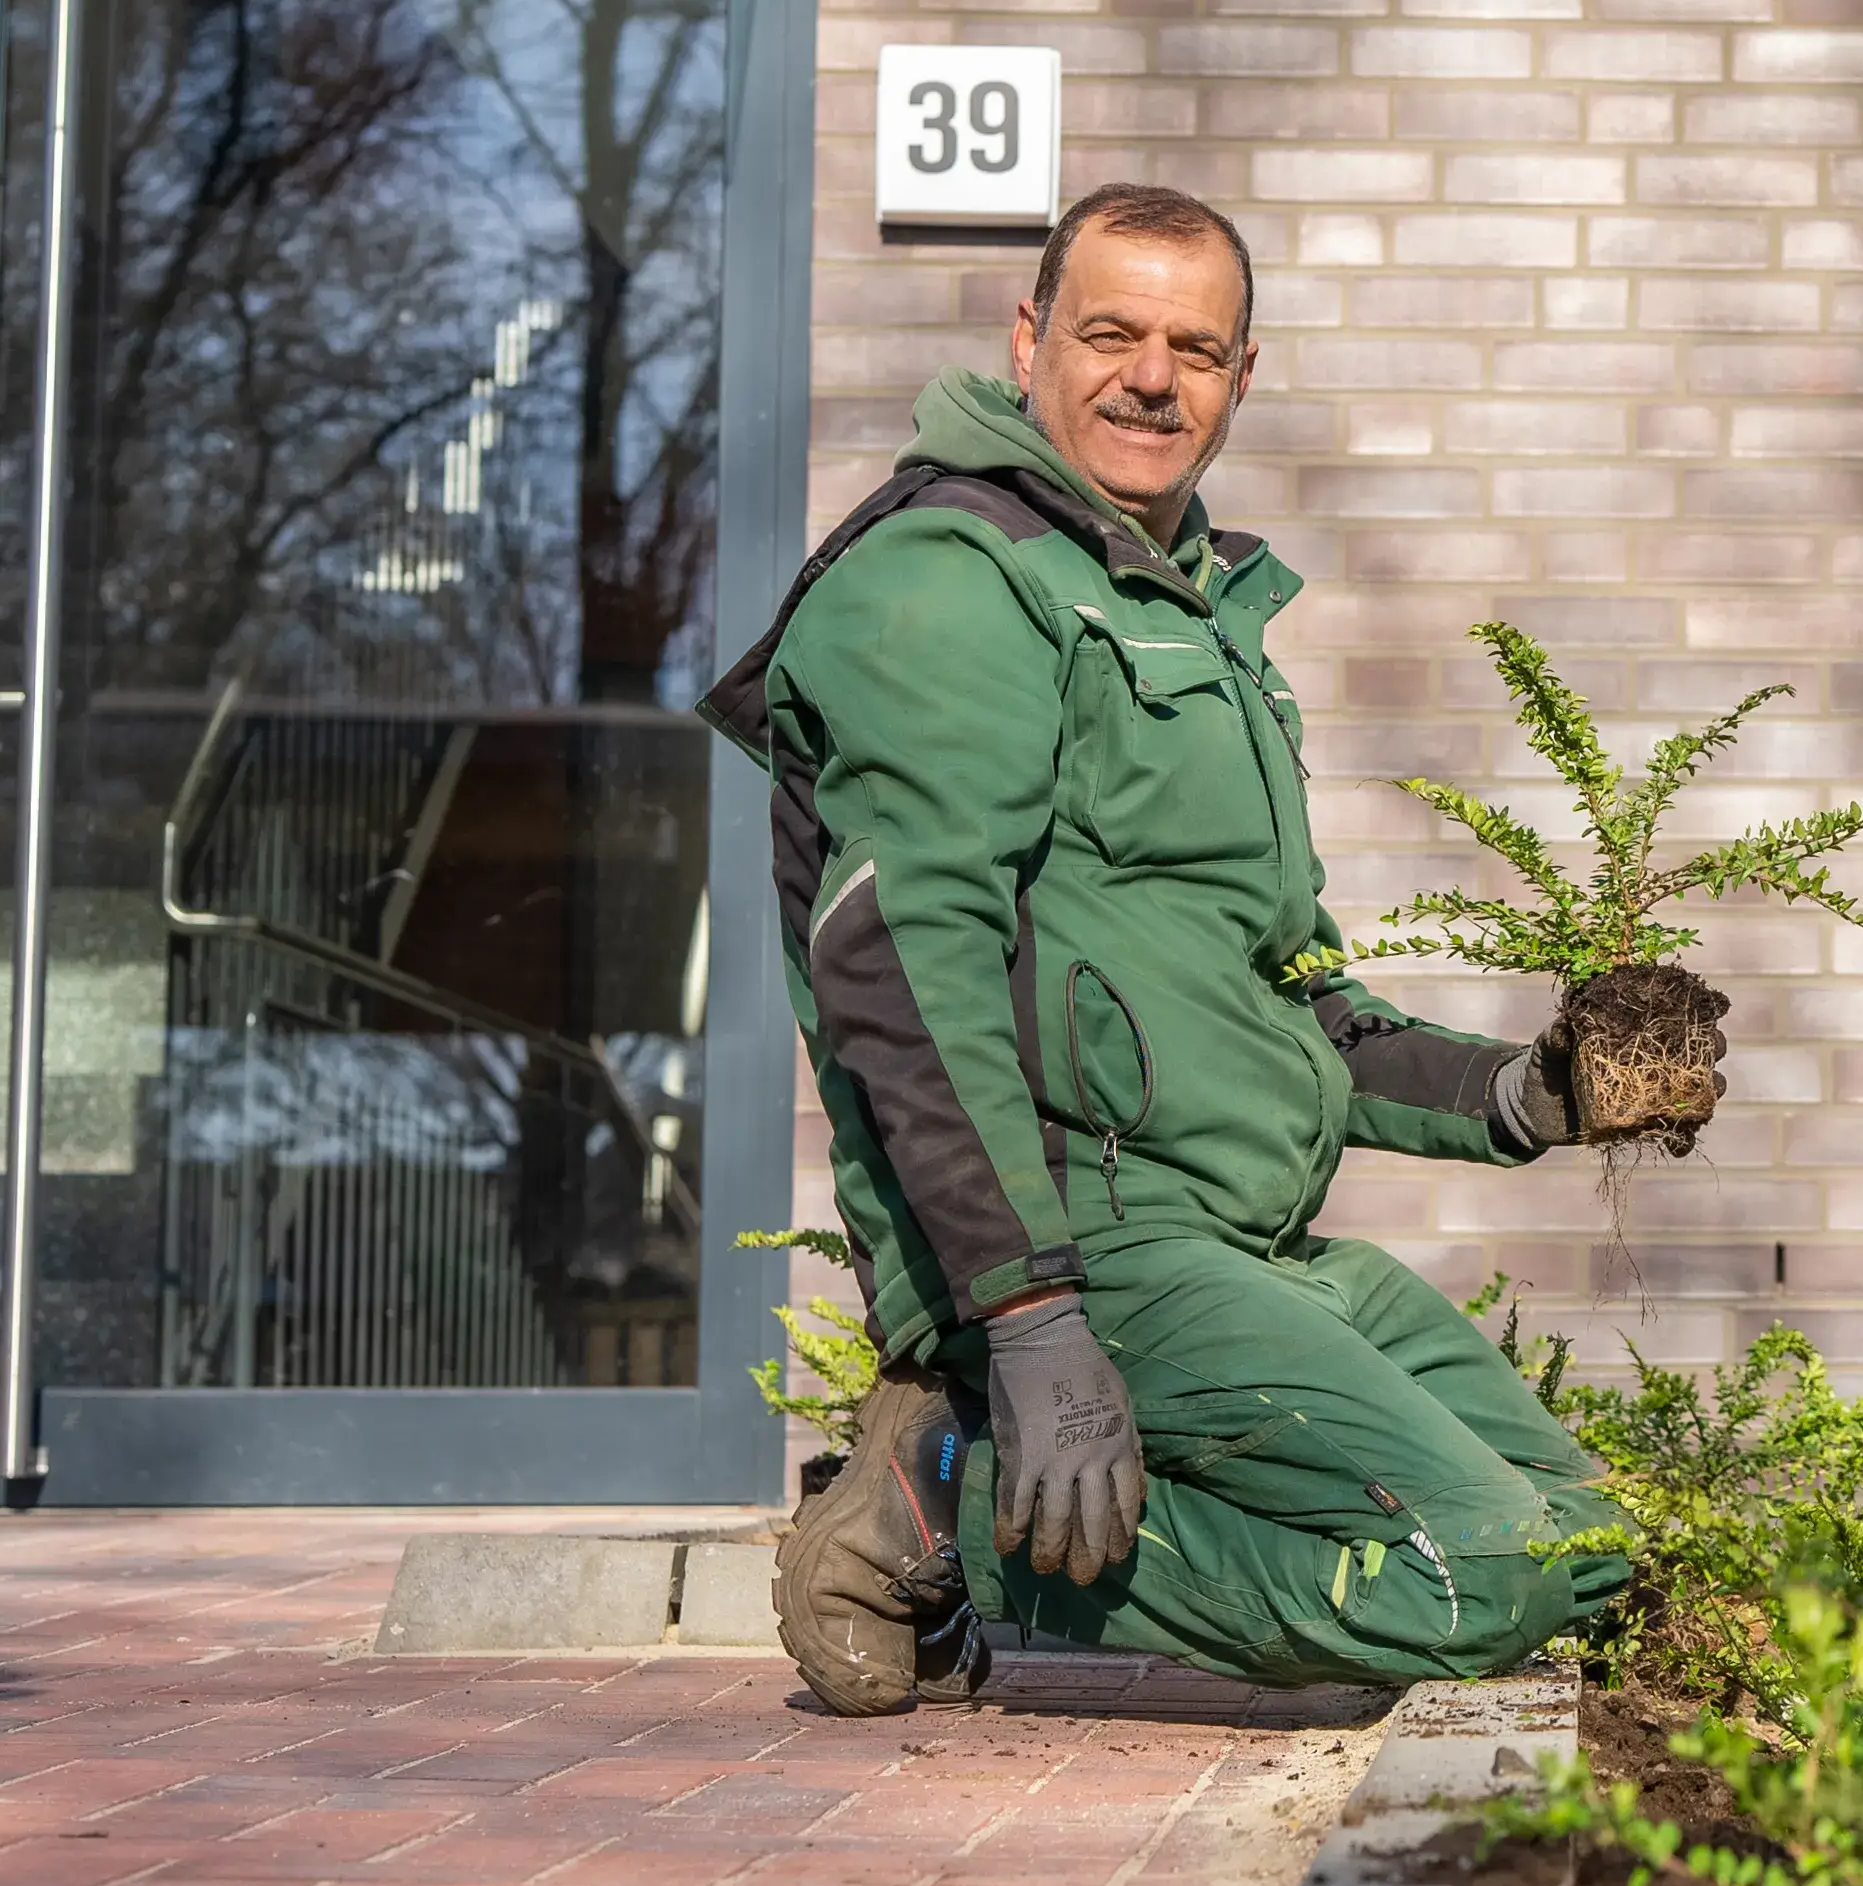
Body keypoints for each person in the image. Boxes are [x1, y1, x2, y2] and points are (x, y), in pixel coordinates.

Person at [703, 181, 1668, 1714]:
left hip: (1254, 1248)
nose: (1154, 377)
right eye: (1111, 332)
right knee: (1481, 1570)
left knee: (1601, 1551)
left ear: (1241, 376)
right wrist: (1027, 1318)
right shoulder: (955, 580)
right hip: (1093, 1241)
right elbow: (900, 960)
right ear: (1028, 342)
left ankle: (982, 1495)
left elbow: (1296, 1002)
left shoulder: (1198, 617)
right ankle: (940, 1494)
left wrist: (1535, 1091)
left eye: (1196, 348)